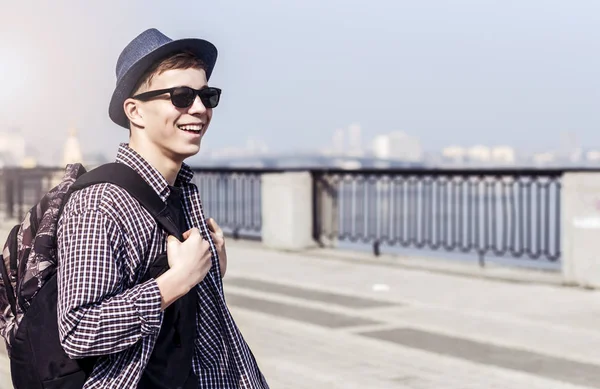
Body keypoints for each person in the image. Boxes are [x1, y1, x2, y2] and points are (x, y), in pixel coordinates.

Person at [56, 28, 269, 389]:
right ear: (135, 111)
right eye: (181, 96)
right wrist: (176, 281)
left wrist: (208, 273)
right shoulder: (101, 203)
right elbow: (79, 329)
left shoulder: (180, 191)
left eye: (207, 95)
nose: (199, 108)